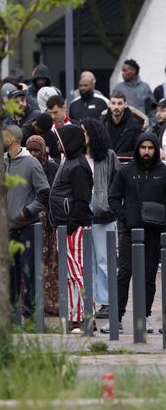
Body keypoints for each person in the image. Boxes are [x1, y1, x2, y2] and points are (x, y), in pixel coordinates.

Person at [105, 132, 166, 334]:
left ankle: (145, 316)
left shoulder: (163, 172)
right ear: (138, 148)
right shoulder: (126, 171)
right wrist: (125, 218)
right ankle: (117, 318)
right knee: (124, 273)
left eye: (150, 148)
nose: (146, 152)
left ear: (156, 150)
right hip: (129, 232)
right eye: (143, 147)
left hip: (154, 234)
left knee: (149, 277)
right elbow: (113, 197)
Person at [49, 125, 93, 332]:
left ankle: (87, 316)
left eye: (60, 140)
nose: (57, 144)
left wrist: (70, 226)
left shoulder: (78, 166)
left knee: (77, 273)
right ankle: (75, 317)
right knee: (69, 274)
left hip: (73, 228)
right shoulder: (69, 162)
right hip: (64, 225)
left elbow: (82, 200)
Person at [3, 125, 49, 320]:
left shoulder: (31, 164)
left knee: (28, 272)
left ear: (11, 139)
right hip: (7, 229)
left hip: (27, 226)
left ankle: (31, 315)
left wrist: (27, 211)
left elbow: (45, 193)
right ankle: (14, 314)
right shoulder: (3, 162)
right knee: (10, 274)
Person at [80, 118, 120, 319]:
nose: (82, 135)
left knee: (105, 260)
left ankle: (108, 301)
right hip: (84, 214)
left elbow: (118, 181)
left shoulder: (108, 156)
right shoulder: (77, 156)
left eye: (84, 132)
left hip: (104, 214)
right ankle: (94, 300)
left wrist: (112, 204)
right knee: (90, 262)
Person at [25, 134, 60, 315]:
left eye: (36, 150)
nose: (33, 154)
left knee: (48, 261)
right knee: (29, 261)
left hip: (47, 222)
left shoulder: (52, 168)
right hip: (28, 219)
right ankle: (29, 303)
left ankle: (49, 303)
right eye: (29, 150)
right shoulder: (23, 166)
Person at [101, 91, 144, 155]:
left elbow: (138, 150)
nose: (116, 107)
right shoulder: (102, 123)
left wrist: (116, 157)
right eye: (113, 103)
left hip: (126, 163)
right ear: (109, 104)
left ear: (125, 105)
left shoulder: (135, 125)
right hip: (105, 163)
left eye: (120, 103)